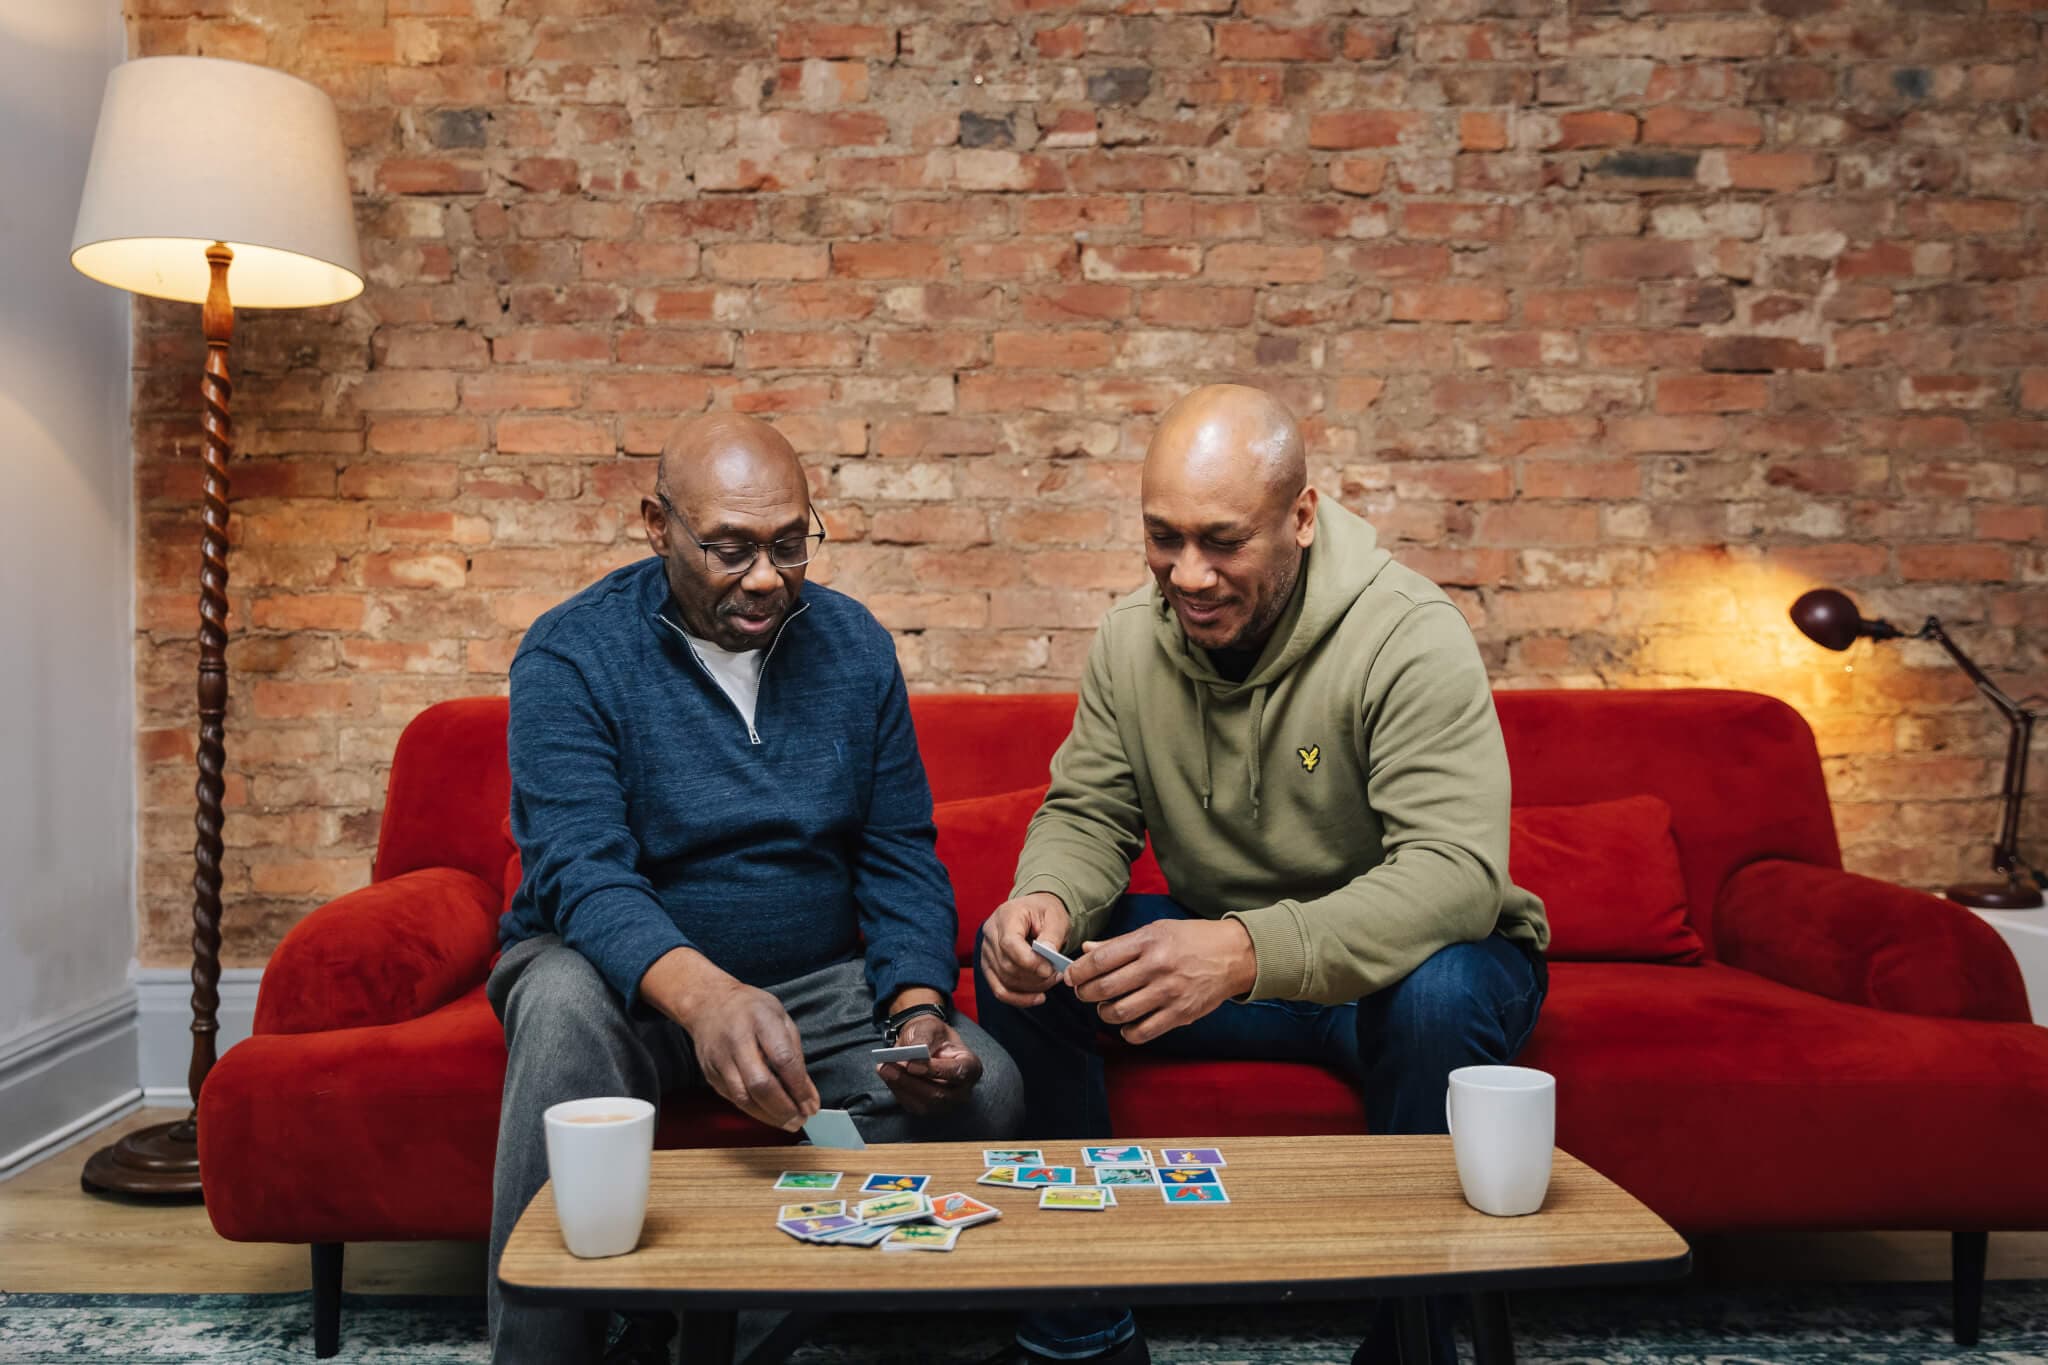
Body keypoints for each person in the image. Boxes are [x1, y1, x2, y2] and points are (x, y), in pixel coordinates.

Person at [974, 384, 1549, 1365]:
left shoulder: (1406, 631)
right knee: (1023, 975)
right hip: (1226, 952)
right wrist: (1049, 899)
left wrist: (1243, 950)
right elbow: (1089, 813)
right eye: (1162, 538)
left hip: (1397, 967)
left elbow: (1454, 874)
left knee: (1444, 994)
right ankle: (1082, 1336)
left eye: (1222, 541)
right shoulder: (1129, 639)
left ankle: (1408, 1346)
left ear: (1301, 517)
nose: (1188, 574)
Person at [489, 413, 1023, 1365]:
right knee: (560, 1004)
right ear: (658, 526)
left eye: (789, 543)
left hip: (814, 986)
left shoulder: (853, 645)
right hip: (620, 987)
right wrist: (708, 999)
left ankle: (709, 1335)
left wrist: (918, 1009)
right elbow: (580, 869)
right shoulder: (571, 653)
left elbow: (898, 851)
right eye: (732, 549)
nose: (768, 577)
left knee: (988, 1090)